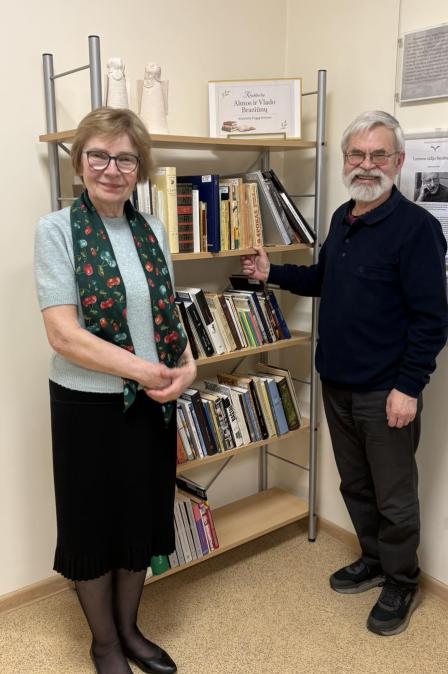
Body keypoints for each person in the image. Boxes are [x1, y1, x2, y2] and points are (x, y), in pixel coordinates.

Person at [241, 111, 448, 637]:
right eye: (357, 153)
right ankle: (374, 560)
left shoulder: (417, 229)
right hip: (336, 382)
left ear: (398, 162)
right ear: (345, 160)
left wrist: (408, 387)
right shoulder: (343, 217)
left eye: (379, 154)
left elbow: (432, 320)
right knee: (355, 484)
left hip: (386, 391)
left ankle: (401, 580)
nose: (366, 164)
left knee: (394, 495)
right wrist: (272, 273)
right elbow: (324, 278)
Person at [34, 107, 197, 674]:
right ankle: (103, 643)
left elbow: (166, 314)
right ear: (80, 162)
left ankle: (129, 629)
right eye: (99, 155)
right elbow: (63, 334)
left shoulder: (152, 229)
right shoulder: (56, 230)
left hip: (152, 403)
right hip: (86, 406)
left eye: (126, 158)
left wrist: (187, 367)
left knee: (139, 518)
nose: (112, 169)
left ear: (139, 168)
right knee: (92, 526)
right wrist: (145, 372)